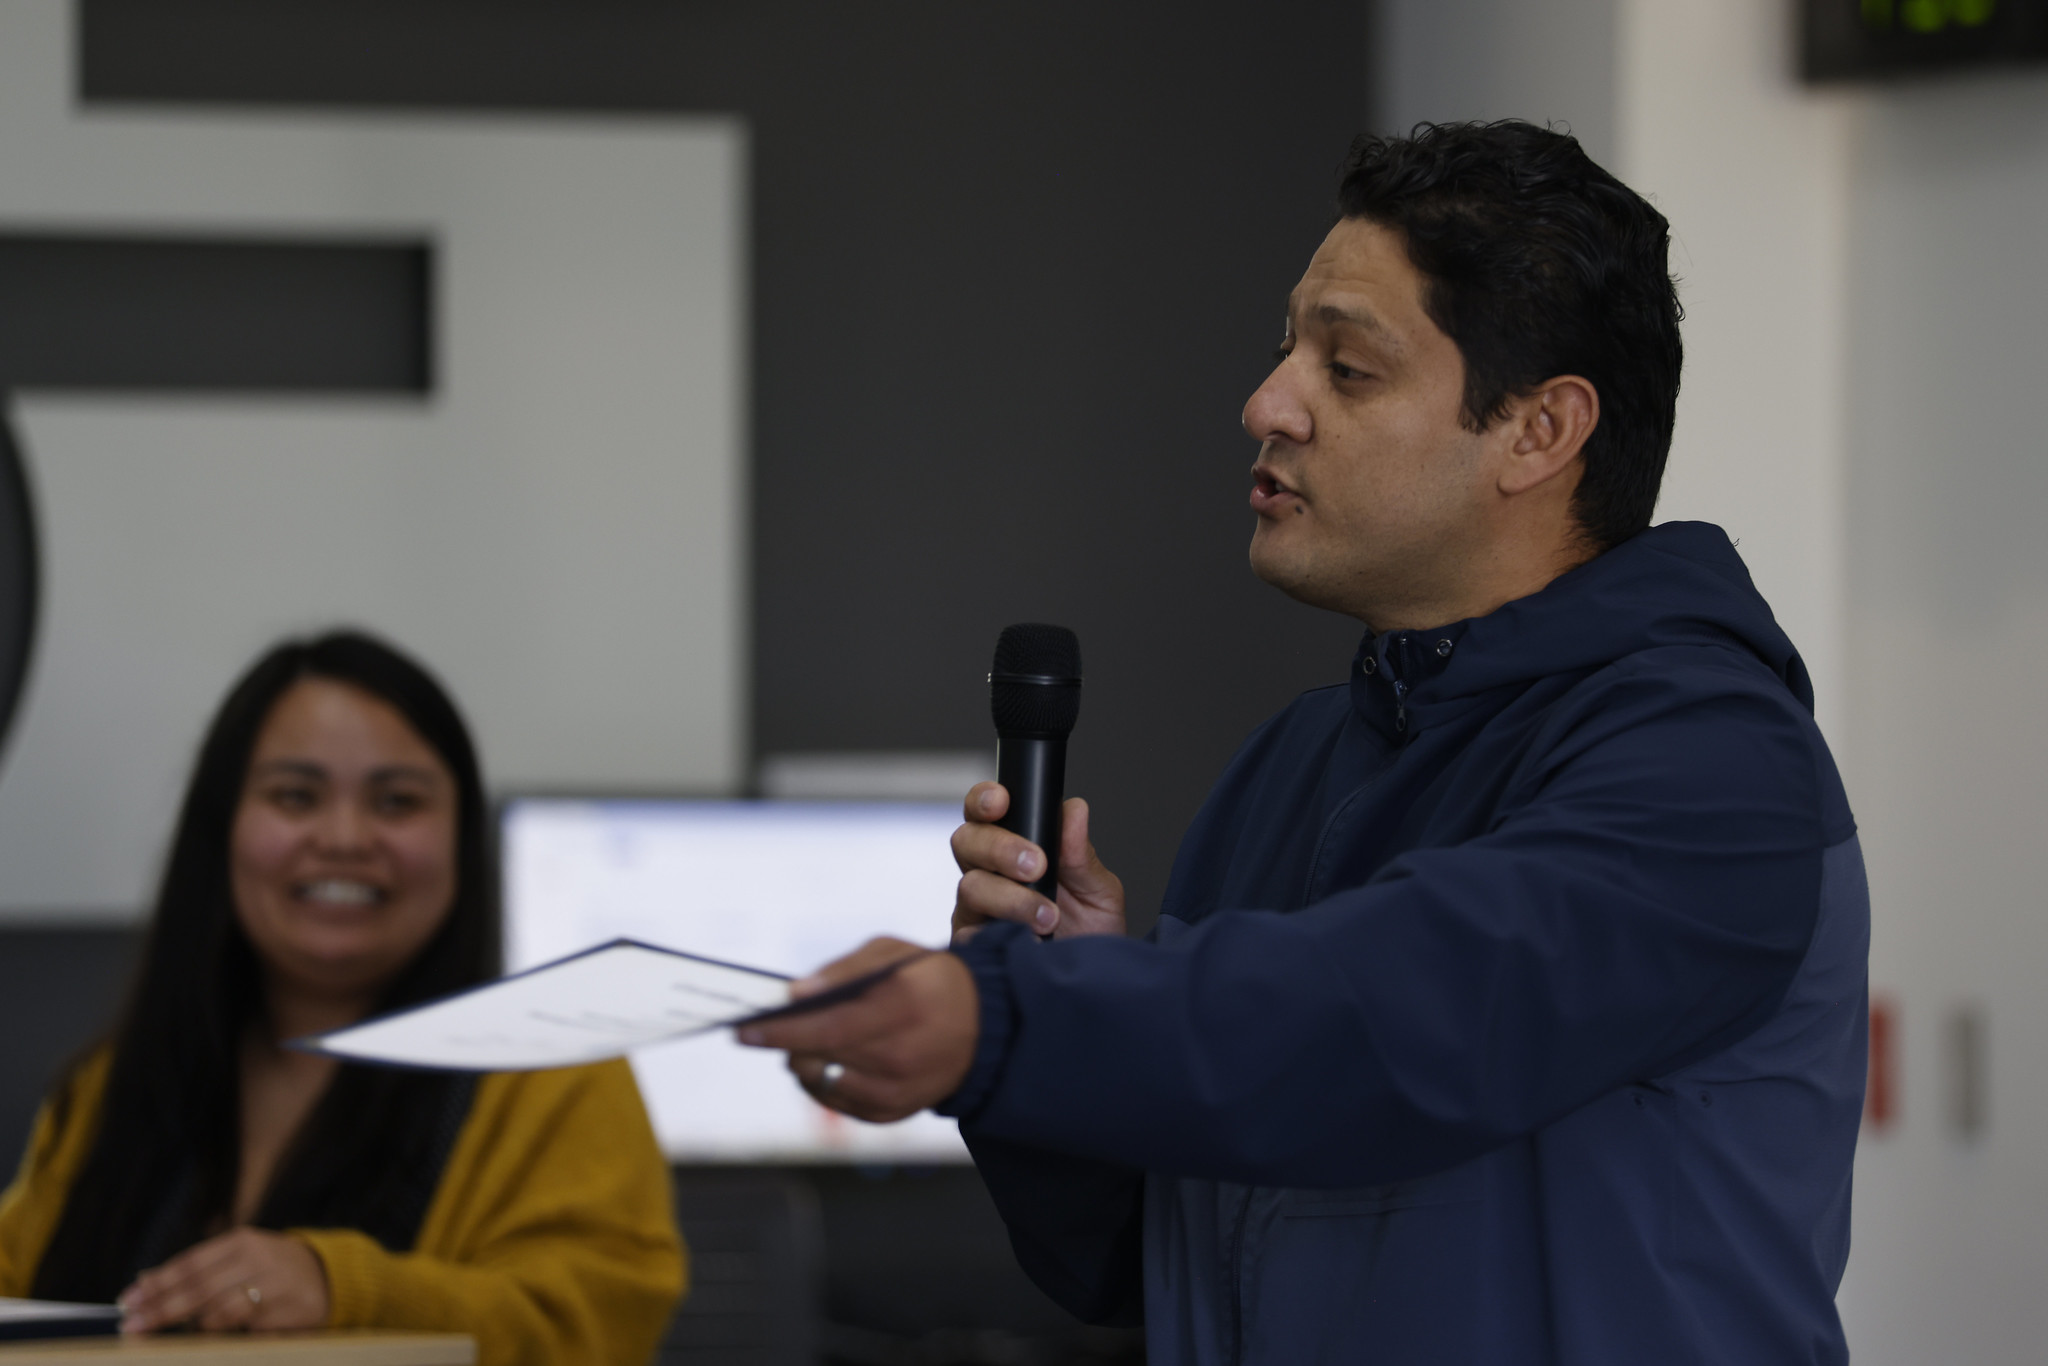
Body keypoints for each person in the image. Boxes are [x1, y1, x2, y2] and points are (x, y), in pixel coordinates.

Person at [743, 122, 1867, 1364]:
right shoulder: (1294, 761)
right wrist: (1066, 1008)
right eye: (1286, 349)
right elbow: (1132, 1254)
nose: (1266, 403)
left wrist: (1011, 1023)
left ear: (1538, 433)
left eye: (1348, 368)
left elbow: (1411, 1015)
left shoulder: (1711, 759)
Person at [0, 631, 684, 1365]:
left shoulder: (554, 1075)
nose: (344, 837)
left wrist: (346, 1291)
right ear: (221, 826)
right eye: (295, 796)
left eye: (397, 801)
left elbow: (593, 1330)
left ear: (461, 838)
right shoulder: (110, 1086)